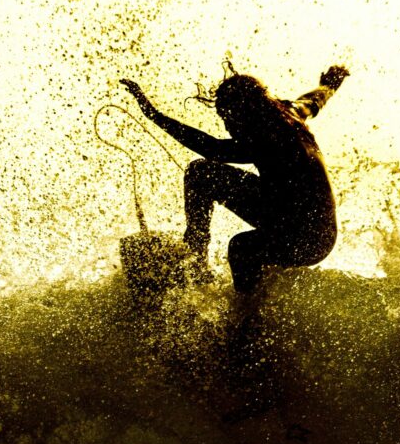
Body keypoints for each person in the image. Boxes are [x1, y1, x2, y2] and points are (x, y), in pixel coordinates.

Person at [120, 64, 348, 292]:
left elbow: (212, 148)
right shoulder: (288, 113)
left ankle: (246, 316)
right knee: (202, 173)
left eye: (227, 118)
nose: (227, 126)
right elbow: (313, 100)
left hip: (308, 239)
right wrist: (328, 86)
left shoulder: (267, 137)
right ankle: (196, 256)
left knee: (241, 246)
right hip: (297, 219)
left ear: (245, 112)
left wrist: (154, 115)